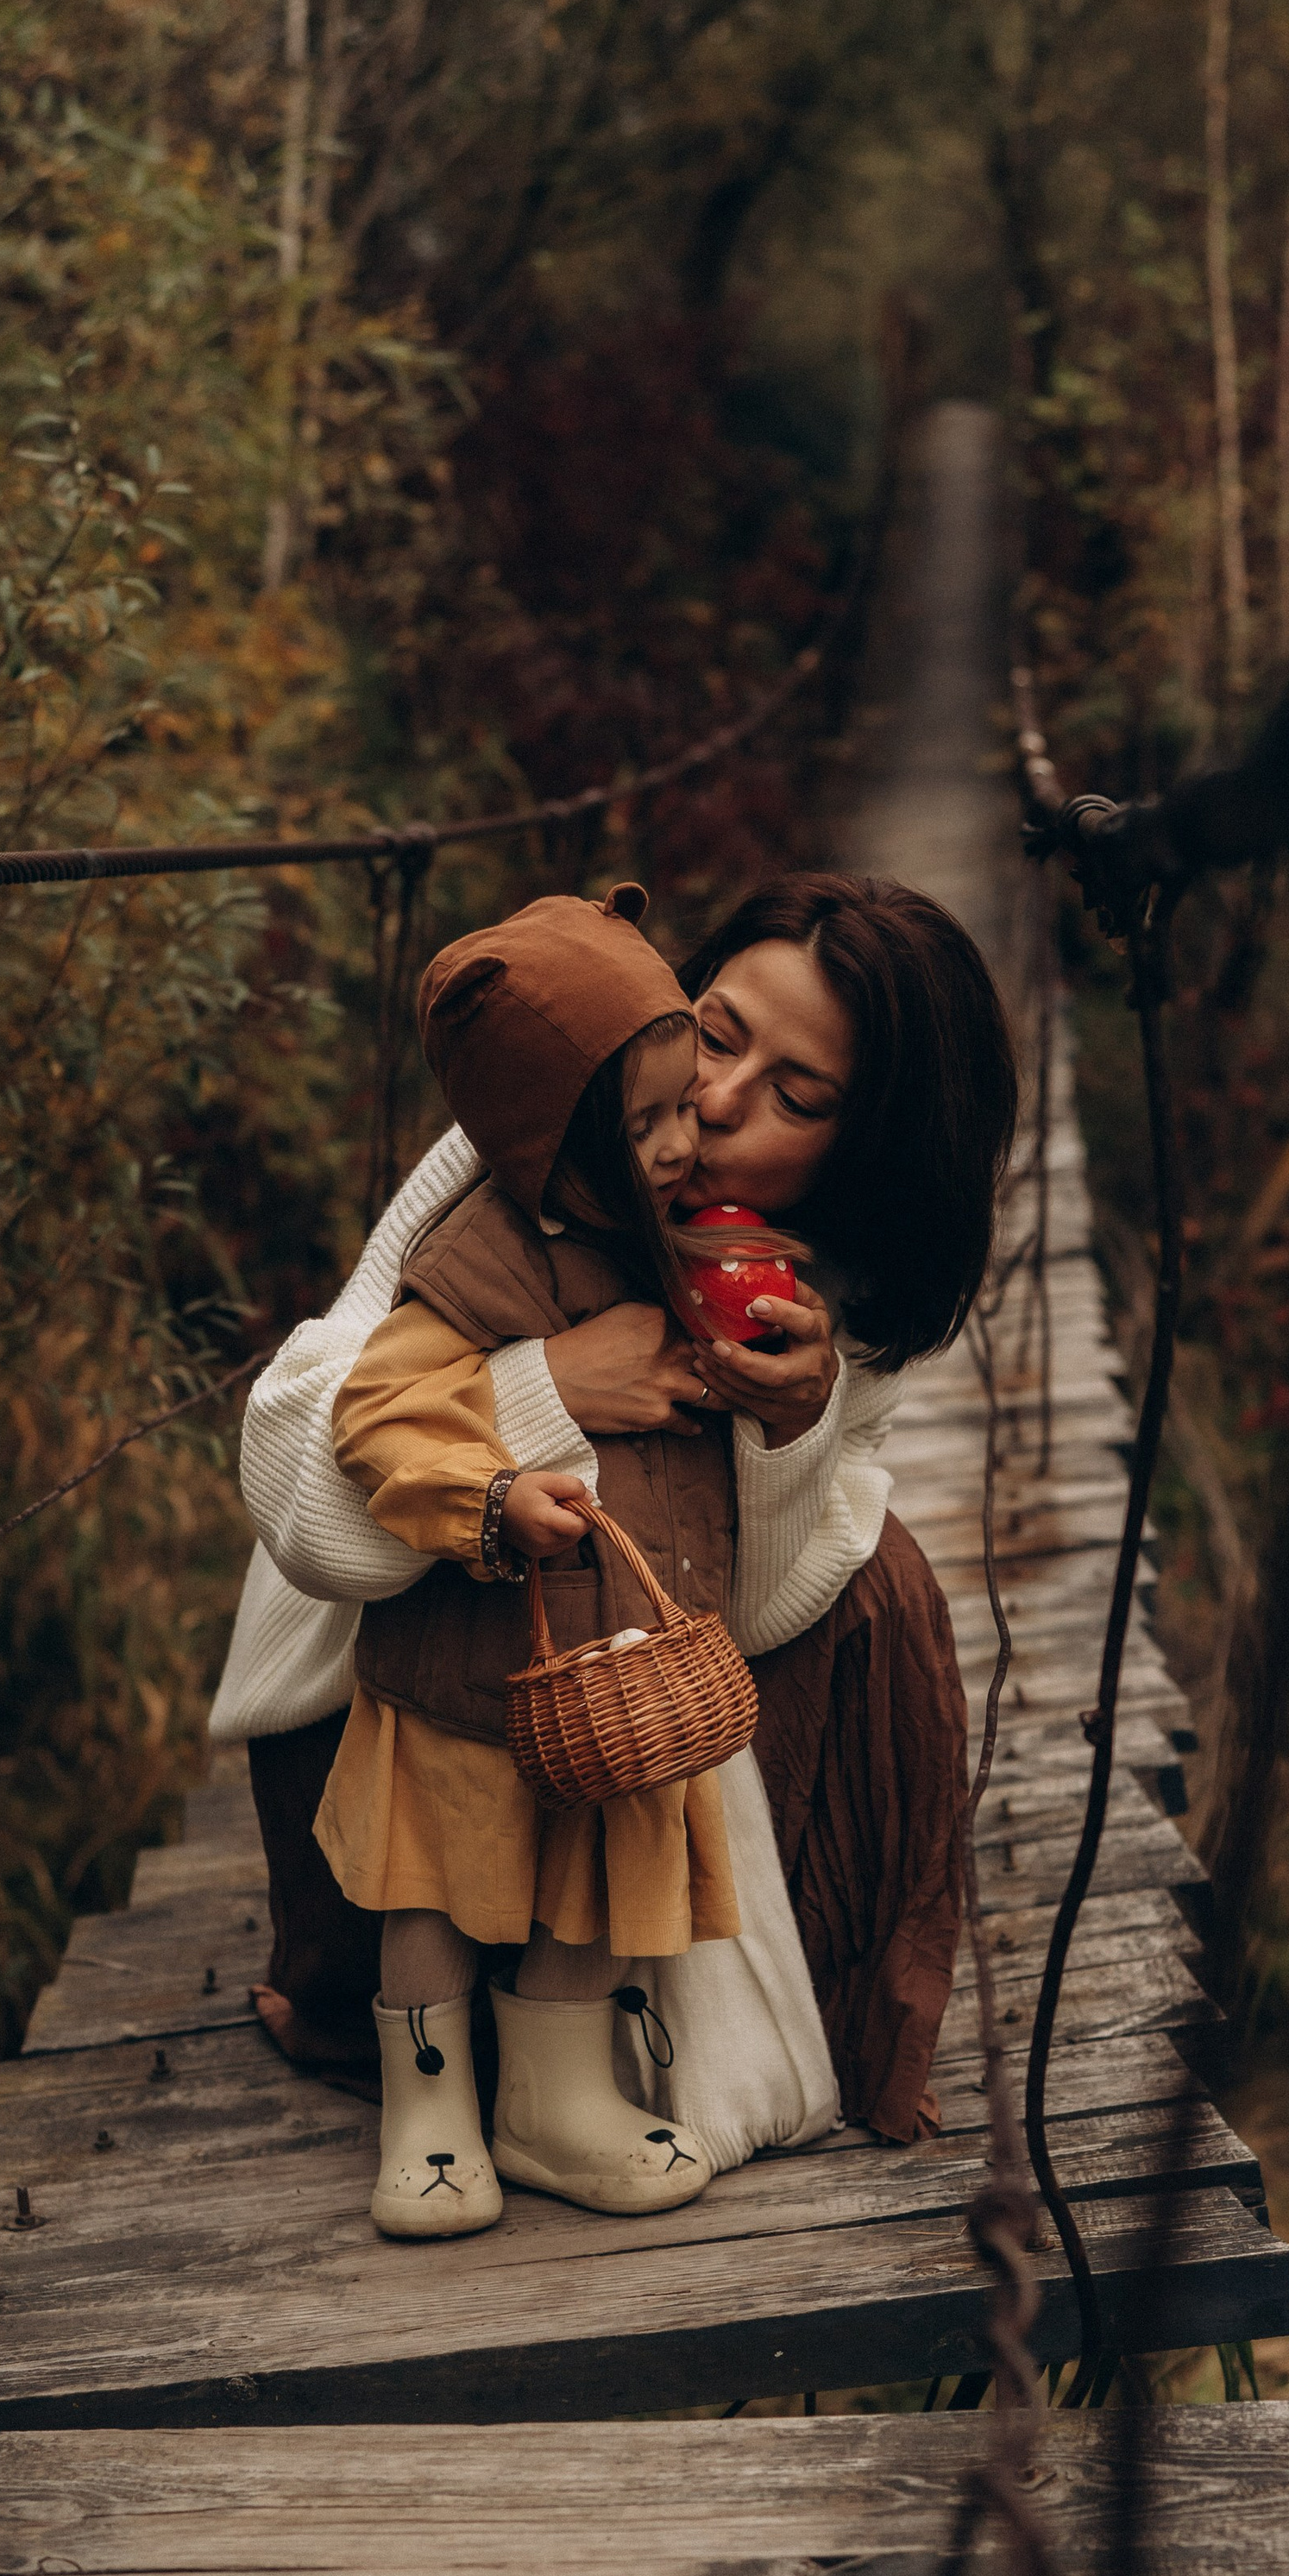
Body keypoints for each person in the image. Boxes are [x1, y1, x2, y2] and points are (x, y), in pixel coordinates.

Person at [211, 872, 1018, 2151]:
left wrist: (790, 1427)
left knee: (882, 1581)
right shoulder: (540, 1134)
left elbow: (741, 1621)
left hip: (622, 1713)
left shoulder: (827, 1289)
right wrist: (541, 1392)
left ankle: (603, 2048)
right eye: (714, 1029)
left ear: (865, 1150)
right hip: (394, 1705)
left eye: (797, 1098)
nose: (715, 1098)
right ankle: (449, 2041)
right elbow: (298, 1499)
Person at [318, 885, 742, 2239]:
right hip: (475, 1665)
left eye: (689, 1106)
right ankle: (429, 2116)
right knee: (432, 1883)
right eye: (646, 1125)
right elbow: (379, 1413)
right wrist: (489, 1498)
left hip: (621, 1668)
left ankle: (555, 2104)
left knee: (596, 1887)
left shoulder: (667, 1236)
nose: (687, 1141)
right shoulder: (480, 1261)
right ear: (544, 1142)